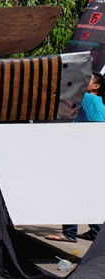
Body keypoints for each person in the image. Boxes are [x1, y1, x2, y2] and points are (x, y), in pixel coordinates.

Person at [46, 73, 105, 242]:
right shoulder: (99, 102)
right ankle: (96, 231)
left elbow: (63, 89)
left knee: (70, 189)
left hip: (85, 151)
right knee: (87, 193)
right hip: (94, 152)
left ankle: (69, 233)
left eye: (89, 78)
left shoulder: (87, 98)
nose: (84, 79)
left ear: (96, 86)